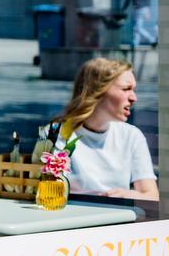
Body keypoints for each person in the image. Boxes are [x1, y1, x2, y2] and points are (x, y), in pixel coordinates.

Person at [52, 58, 158, 200]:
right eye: (126, 89)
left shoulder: (131, 136)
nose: (134, 98)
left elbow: (151, 195)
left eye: (133, 90)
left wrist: (126, 195)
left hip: (118, 217)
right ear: (98, 91)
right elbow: (47, 191)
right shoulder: (57, 134)